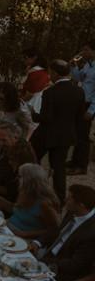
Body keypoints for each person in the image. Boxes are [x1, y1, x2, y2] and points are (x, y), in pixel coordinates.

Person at [31, 59, 86, 202]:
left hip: (46, 134)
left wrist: (32, 113)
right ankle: (60, 198)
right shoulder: (79, 91)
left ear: (54, 73)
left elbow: (46, 117)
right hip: (66, 135)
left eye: (50, 72)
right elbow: (79, 117)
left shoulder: (50, 92)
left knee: (31, 160)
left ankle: (31, 190)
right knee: (59, 168)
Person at [32, 184, 95, 281]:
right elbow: (57, 231)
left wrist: (44, 262)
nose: (65, 200)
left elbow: (75, 264)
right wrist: (37, 242)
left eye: (69, 198)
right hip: (48, 254)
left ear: (81, 205)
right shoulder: (73, 211)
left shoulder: (91, 233)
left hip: (62, 272)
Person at [0, 163, 61, 239]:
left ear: (29, 180)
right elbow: (15, 210)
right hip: (7, 228)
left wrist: (25, 234)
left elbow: (54, 231)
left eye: (20, 176)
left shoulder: (44, 203)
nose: (17, 178)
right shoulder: (25, 192)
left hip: (21, 239)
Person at [0, 82, 32, 174]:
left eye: (1, 98)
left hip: (10, 141)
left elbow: (29, 127)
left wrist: (23, 143)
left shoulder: (21, 109)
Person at [68, 42, 95, 176]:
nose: (83, 52)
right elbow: (79, 78)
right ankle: (74, 161)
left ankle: (81, 166)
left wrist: (91, 110)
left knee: (83, 135)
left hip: (89, 104)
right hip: (81, 101)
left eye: (86, 50)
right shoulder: (87, 65)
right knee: (77, 133)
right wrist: (74, 67)